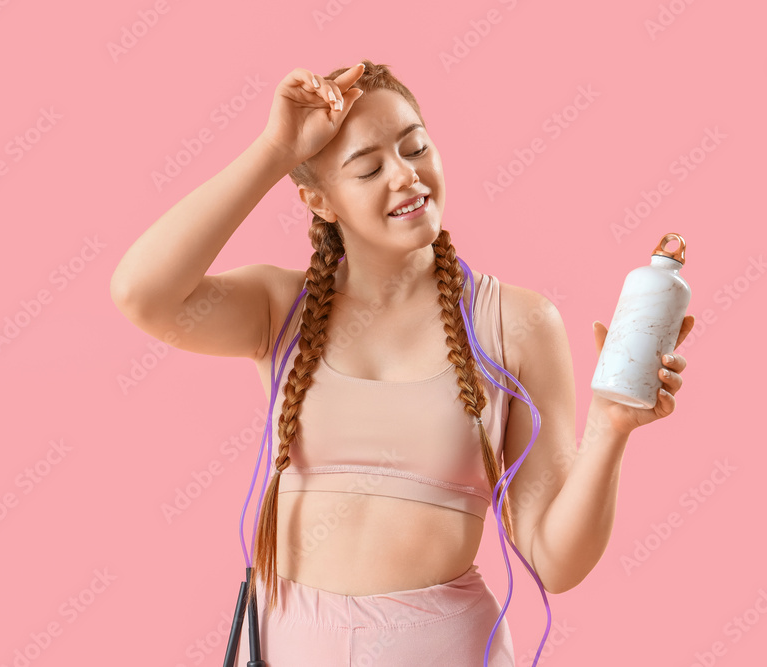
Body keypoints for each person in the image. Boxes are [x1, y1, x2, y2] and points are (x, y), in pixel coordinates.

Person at [110, 59, 695, 666]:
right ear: (319, 201)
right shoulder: (279, 309)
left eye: (416, 148)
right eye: (368, 168)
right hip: (288, 645)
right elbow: (142, 294)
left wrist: (609, 427)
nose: (407, 176)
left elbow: (555, 559)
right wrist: (275, 149)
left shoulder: (514, 323)